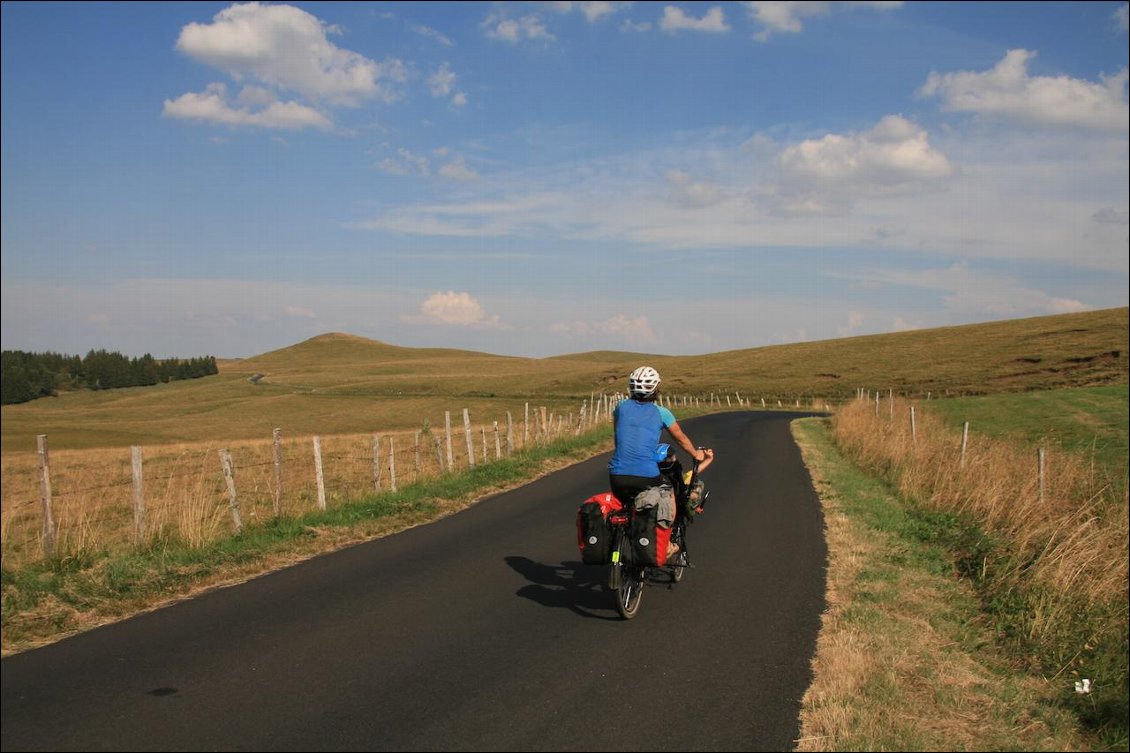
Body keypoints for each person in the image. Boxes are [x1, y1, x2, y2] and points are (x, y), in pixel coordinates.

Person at [608, 366, 714, 558]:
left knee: (627, 505)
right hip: (647, 475)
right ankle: (666, 545)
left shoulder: (620, 408)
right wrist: (696, 454)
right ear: (656, 388)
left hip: (616, 476)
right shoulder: (661, 413)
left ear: (631, 388)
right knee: (670, 494)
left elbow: (618, 439)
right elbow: (680, 438)